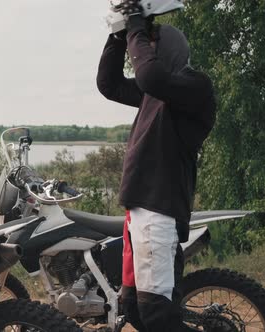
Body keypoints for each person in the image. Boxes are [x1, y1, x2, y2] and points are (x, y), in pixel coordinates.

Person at [96, 1, 216, 331]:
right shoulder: (157, 92)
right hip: (140, 213)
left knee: (158, 316)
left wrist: (136, 21)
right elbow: (108, 84)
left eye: (150, 44)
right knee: (136, 310)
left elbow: (149, 75)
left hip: (159, 211)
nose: (143, 51)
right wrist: (118, 35)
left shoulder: (196, 88)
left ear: (166, 52)